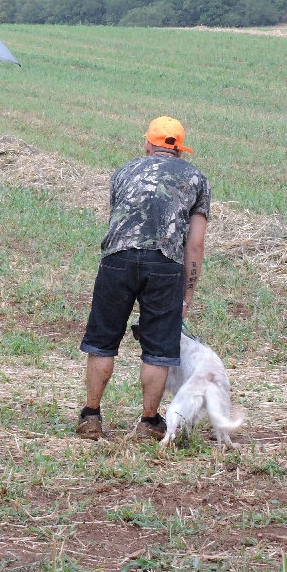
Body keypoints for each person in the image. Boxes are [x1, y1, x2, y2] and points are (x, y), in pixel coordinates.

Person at [76, 116, 210, 441]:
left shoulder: (122, 171)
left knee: (102, 340)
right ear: (180, 151)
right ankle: (148, 422)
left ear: (147, 144)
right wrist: (187, 296)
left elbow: (118, 218)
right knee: (158, 348)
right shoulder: (196, 178)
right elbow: (195, 243)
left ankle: (91, 416)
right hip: (165, 265)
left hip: (117, 259)